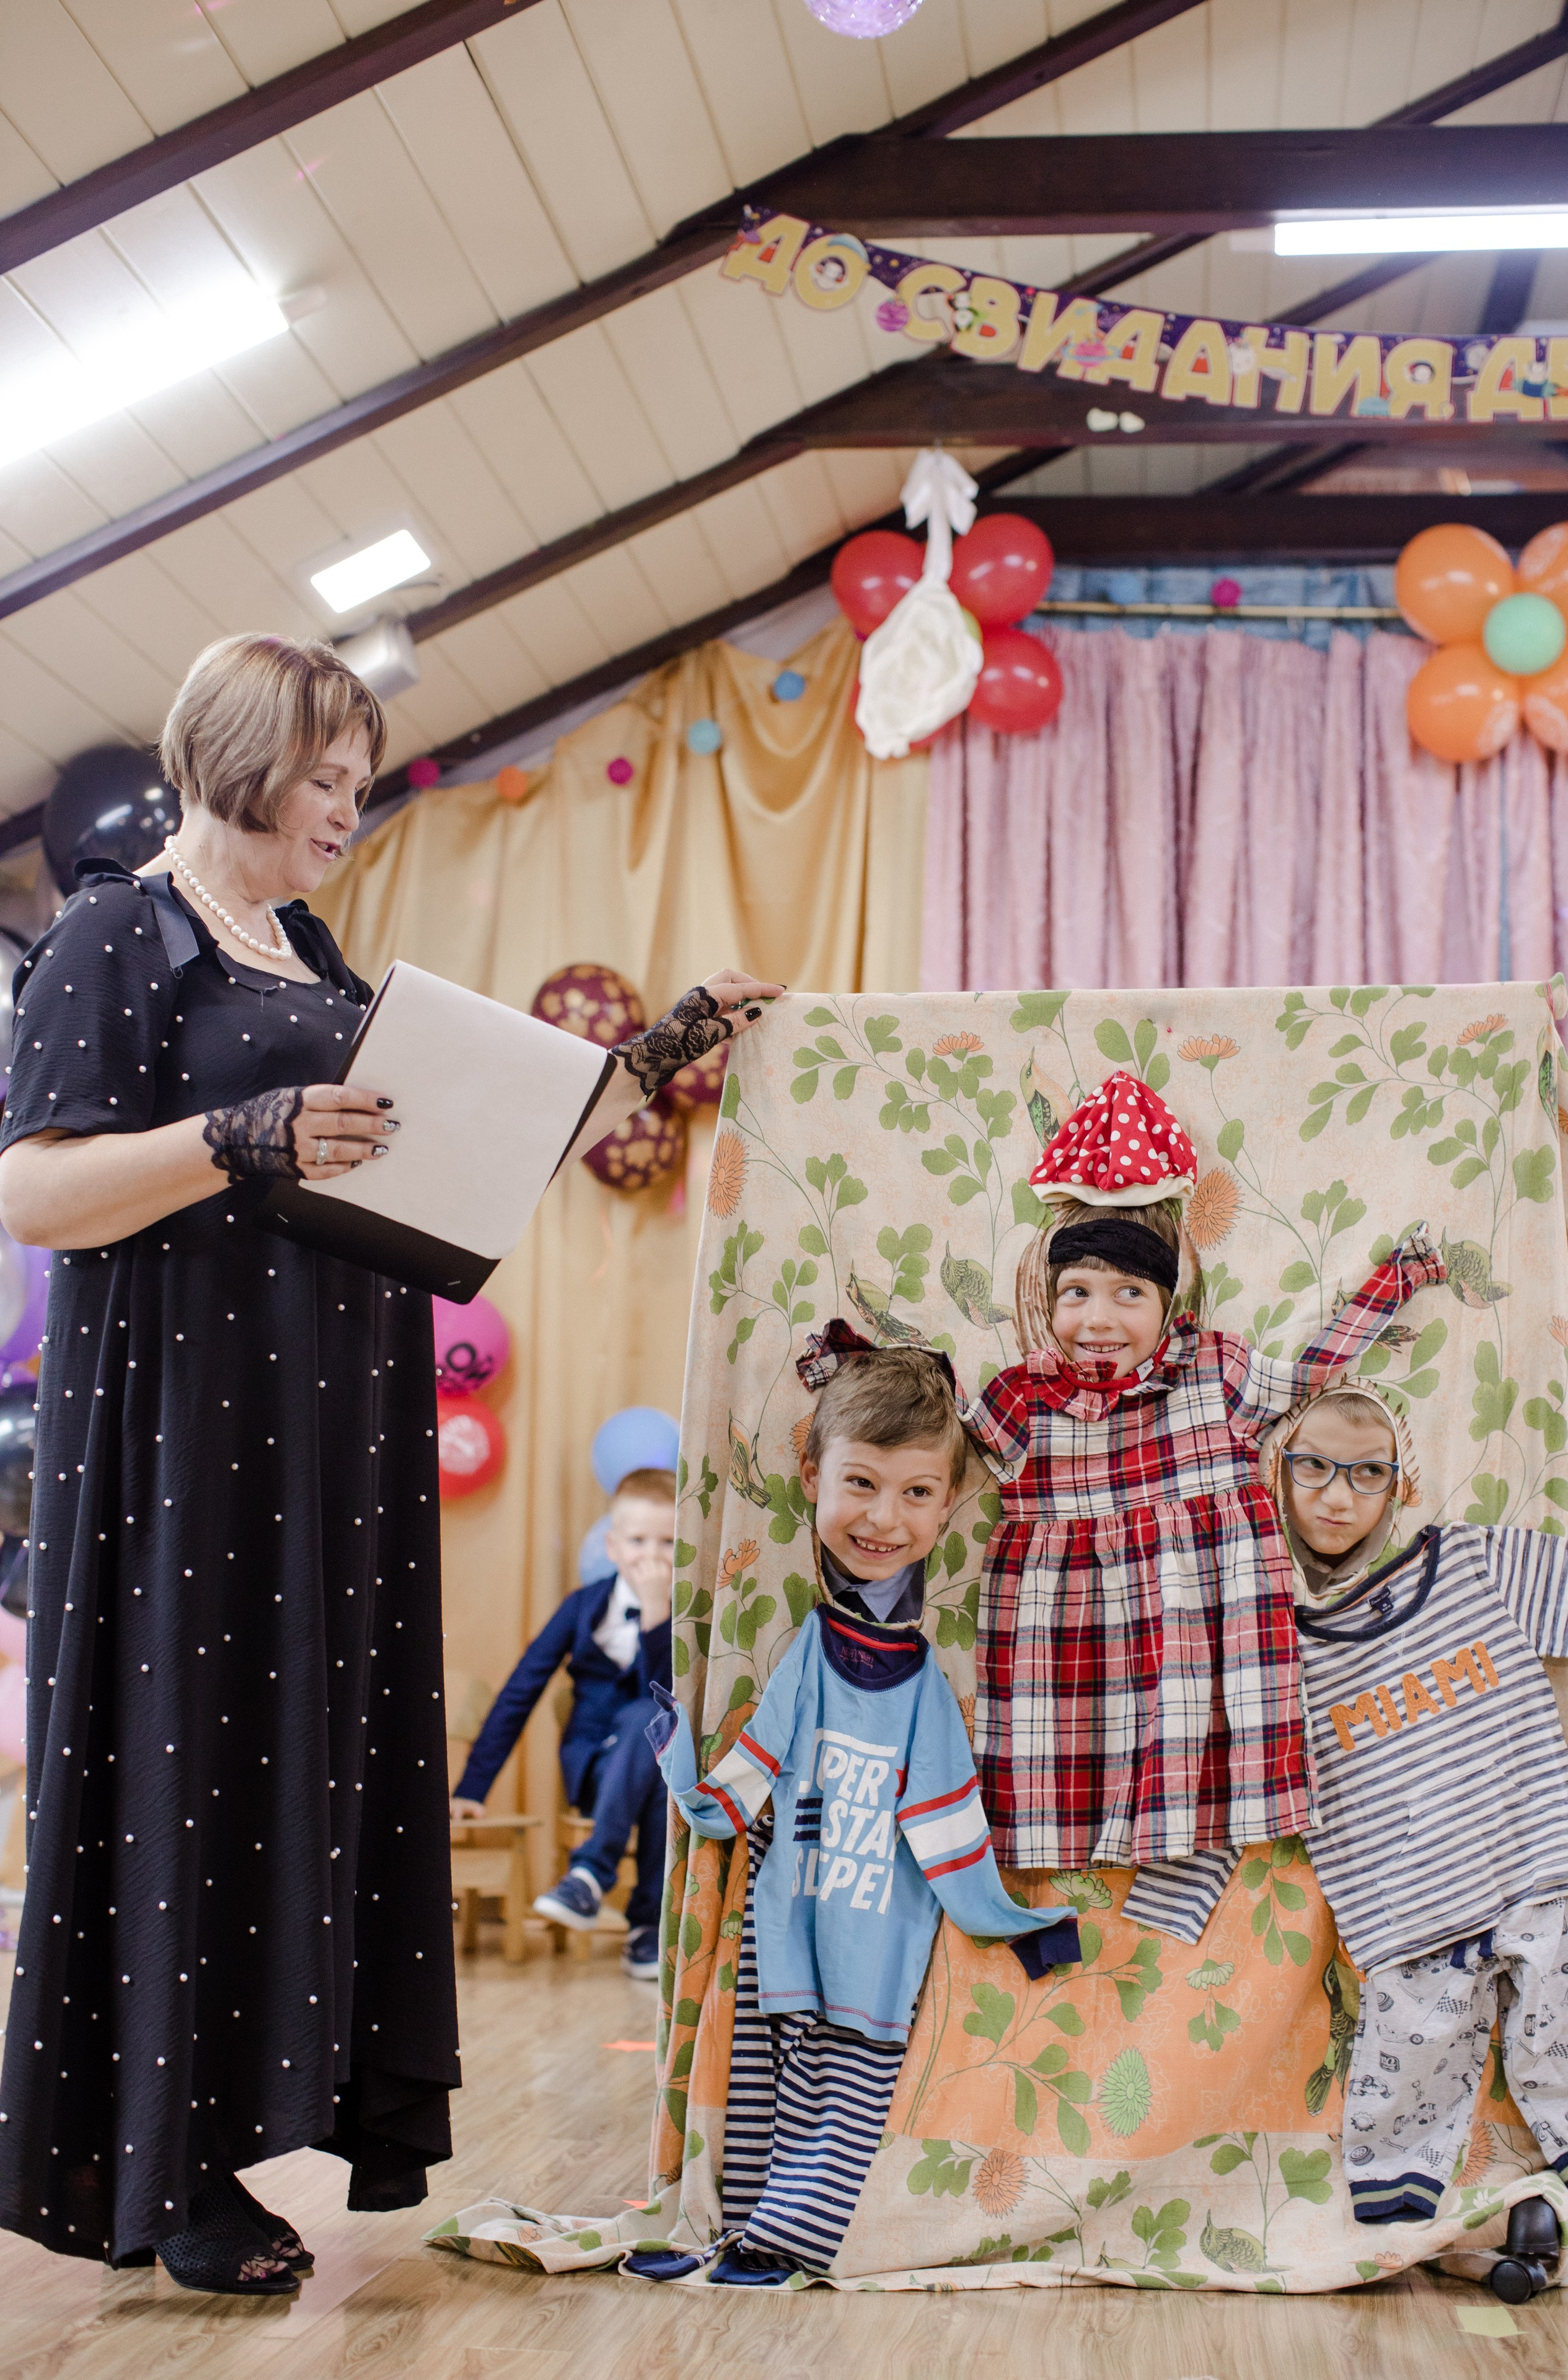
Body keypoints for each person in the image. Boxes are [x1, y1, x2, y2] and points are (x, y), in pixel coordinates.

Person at [0, 630, 780, 2294]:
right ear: (238, 755)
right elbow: (38, 1191)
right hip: (185, 1433)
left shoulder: (305, 948)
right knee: (189, 1759)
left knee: (291, 1763)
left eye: (359, 779)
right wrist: (236, 1138)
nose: (348, 804)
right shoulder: (117, 928)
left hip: (329, 1433)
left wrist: (664, 1047)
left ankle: (250, 2127)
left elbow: (467, 1141)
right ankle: (170, 2169)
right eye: (326, 774)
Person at [637, 1343, 1079, 2288]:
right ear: (813, 1476)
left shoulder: (925, 1689)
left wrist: (1015, 1925)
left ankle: (793, 2241)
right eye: (862, 1485)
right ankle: (741, 2225)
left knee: (848, 2087)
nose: (884, 1519)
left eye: (917, 1493)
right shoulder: (804, 1649)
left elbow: (949, 1825)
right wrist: (683, 1768)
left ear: (949, 1505)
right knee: (760, 2081)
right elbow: (749, 1775)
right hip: (782, 1918)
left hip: (878, 1933)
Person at [1134, 1380, 1568, 2269]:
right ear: (1279, 1471)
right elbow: (1228, 1781)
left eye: (1366, 1473)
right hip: (1408, 1912)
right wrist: (1174, 1898)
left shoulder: (1476, 1564)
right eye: (1314, 1468)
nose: (1338, 1496)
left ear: (1398, 1482)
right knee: (1399, 2113)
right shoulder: (1273, 1649)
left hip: (1529, 1865)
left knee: (1566, 2044)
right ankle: (1411, 2235)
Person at [959, 1068, 1447, 1874]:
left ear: (1166, 1306)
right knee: (1065, 1786)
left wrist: (1394, 1282)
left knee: (1197, 1762)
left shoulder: (1211, 1374)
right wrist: (864, 1375)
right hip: (1072, 1655)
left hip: (1198, 1648)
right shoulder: (1023, 1399)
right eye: (1075, 1292)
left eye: (1128, 1293)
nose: (1098, 1318)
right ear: (1049, 1299)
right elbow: (938, 1448)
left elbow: (1311, 1373)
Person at [450, 1467, 676, 1980]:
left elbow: (667, 1696)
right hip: (596, 1767)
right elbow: (520, 1692)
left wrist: (657, 1614)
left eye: (668, 1542)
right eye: (638, 1541)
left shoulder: (689, 1612)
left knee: (658, 1740)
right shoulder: (581, 1607)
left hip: (663, 1768)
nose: (652, 1555)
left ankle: (602, 1888)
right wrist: (472, 1787)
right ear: (613, 1547)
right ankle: (629, 1909)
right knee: (649, 1729)